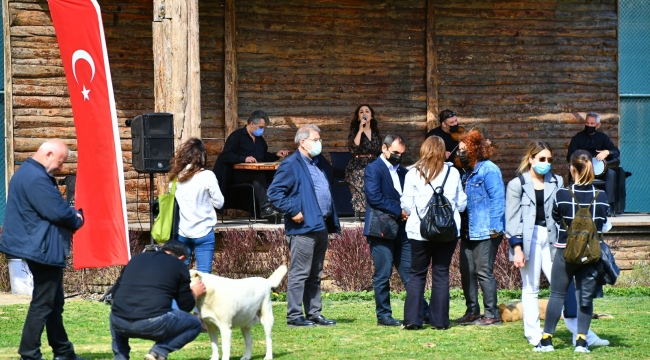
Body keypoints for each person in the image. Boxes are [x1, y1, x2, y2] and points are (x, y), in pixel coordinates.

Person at [505, 141, 608, 348]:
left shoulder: (557, 181)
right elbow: (512, 218)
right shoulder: (517, 184)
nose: (546, 163)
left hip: (555, 239)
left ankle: (581, 333)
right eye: (542, 159)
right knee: (531, 287)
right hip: (528, 237)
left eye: (549, 160)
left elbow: (562, 212)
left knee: (564, 287)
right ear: (531, 159)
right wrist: (517, 248)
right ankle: (534, 335)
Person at [0, 139, 85, 360]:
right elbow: (57, 212)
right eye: (61, 161)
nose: (61, 167)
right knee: (43, 303)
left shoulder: (29, 173)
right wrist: (77, 218)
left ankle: (63, 352)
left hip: (40, 245)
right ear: (48, 154)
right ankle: (29, 354)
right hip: (42, 248)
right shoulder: (36, 178)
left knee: (54, 302)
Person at [536, 150, 610, 353]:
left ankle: (546, 340)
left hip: (564, 252)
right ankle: (581, 342)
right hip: (590, 254)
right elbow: (604, 225)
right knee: (584, 297)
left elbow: (555, 217)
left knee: (557, 295)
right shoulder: (601, 196)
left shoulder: (562, 194)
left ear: (572, 168)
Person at [267, 124, 341, 327]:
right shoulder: (291, 164)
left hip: (320, 224)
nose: (320, 143)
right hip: (302, 227)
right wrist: (292, 210)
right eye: (316, 140)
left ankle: (314, 313)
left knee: (315, 272)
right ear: (303, 142)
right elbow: (274, 193)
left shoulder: (316, 163)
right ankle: (294, 315)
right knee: (300, 272)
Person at [363, 134, 429, 327]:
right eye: (395, 153)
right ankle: (383, 315)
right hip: (381, 229)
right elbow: (374, 197)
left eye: (401, 153)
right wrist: (398, 210)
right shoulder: (373, 169)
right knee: (383, 274)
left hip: (403, 230)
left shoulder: (402, 171)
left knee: (410, 273)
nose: (399, 156)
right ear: (384, 148)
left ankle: (424, 311)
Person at [401, 136, 467, 330]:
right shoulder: (453, 173)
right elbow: (462, 203)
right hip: (447, 231)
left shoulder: (413, 173)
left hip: (419, 231)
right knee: (441, 273)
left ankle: (413, 319)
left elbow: (406, 203)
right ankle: (440, 321)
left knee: (417, 274)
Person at [109, 240, 206, 360]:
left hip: (119, 323)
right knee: (195, 324)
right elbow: (185, 306)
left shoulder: (137, 258)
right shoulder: (178, 265)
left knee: (116, 311)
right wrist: (194, 293)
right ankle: (158, 351)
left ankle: (120, 356)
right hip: (152, 323)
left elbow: (114, 293)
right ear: (181, 257)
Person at [454, 130, 505, 326]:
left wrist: (494, 227)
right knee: (467, 271)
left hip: (486, 230)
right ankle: (472, 311)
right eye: (460, 151)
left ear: (476, 149)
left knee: (483, 271)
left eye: (465, 150)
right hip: (468, 230)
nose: (461, 154)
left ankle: (491, 314)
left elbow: (498, 199)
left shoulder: (489, 170)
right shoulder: (467, 173)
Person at [212, 110, 290, 218]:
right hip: (236, 174)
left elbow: (263, 157)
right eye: (261, 127)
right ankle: (265, 207)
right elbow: (226, 155)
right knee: (257, 175)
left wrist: (276, 155)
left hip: (255, 171)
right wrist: (244, 158)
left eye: (263, 128)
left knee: (279, 174)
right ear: (252, 124)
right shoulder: (236, 136)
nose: (262, 130)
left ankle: (279, 206)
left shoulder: (260, 140)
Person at [168, 138, 224, 274]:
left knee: (179, 274)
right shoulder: (207, 176)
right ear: (202, 156)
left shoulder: (176, 178)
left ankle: (178, 296)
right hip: (204, 230)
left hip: (183, 231)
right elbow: (219, 203)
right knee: (203, 277)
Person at [566, 112, 620, 209]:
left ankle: (609, 206)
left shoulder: (602, 137)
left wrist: (607, 152)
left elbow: (616, 151)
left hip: (600, 171)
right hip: (582, 170)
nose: (589, 125)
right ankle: (577, 204)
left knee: (611, 174)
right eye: (587, 123)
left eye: (592, 124)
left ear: (598, 125)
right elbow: (569, 156)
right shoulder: (577, 138)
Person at [345, 104, 382, 216]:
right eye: (361, 112)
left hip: (374, 163)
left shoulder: (375, 132)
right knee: (364, 178)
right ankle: (364, 212)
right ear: (358, 117)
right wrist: (360, 130)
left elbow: (379, 149)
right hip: (357, 165)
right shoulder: (355, 131)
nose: (364, 113)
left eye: (367, 111)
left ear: (371, 116)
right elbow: (354, 147)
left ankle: (376, 211)